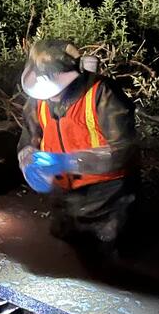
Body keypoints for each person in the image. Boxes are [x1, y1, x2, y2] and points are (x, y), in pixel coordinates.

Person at [17, 39, 137, 258]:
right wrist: (28, 162)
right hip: (63, 198)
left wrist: (69, 161)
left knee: (107, 261)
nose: (50, 95)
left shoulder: (102, 95)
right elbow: (28, 138)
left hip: (107, 199)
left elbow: (124, 149)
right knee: (66, 255)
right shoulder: (38, 100)